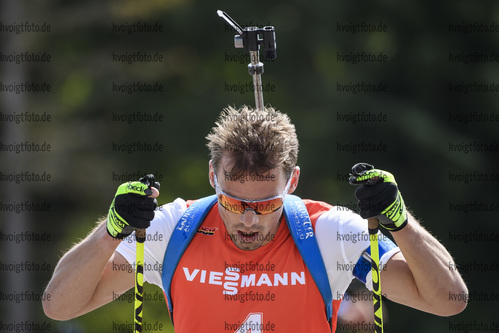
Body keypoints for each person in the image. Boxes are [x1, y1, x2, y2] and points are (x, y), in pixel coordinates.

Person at [43, 105, 467, 332]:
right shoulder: (175, 228)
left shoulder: (326, 233)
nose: (248, 219)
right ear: (213, 177)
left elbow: (448, 300)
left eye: (265, 205)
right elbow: (59, 306)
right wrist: (110, 231)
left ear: (293, 182)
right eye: (232, 202)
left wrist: (400, 223)